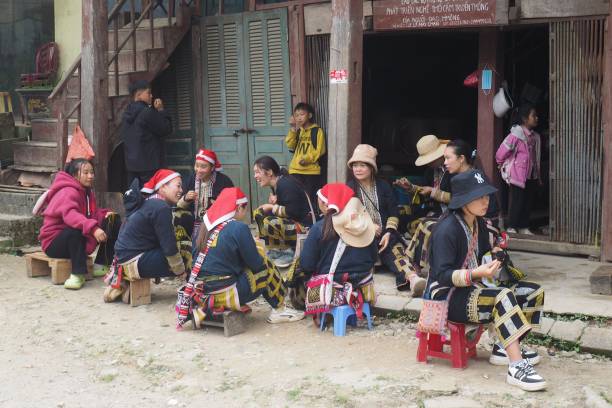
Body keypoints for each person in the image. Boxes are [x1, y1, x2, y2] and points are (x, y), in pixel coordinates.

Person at [427, 169, 546, 391]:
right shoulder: (446, 230)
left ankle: (504, 346)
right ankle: (517, 366)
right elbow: (442, 276)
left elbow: (481, 252)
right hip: (448, 297)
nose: (486, 201)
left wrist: (495, 255)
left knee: (531, 292)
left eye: (487, 195)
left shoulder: (478, 223)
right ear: (463, 201)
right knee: (503, 296)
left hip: (473, 287)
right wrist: (476, 274)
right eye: (479, 197)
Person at [176, 187, 304, 329]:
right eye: (244, 209)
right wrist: (256, 247)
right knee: (265, 265)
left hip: (202, 293)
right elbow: (256, 264)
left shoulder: (203, 228)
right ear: (237, 208)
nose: (245, 213)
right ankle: (279, 309)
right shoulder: (238, 227)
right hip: (226, 293)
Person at [346, 144, 426, 295]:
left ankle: (413, 279)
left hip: (384, 235)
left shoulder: (383, 186)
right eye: (355, 165)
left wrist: (389, 232)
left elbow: (393, 212)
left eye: (362, 165)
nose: (357, 169)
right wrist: (368, 225)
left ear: (371, 168)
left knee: (396, 251)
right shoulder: (350, 188)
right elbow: (347, 216)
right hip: (360, 236)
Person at [38, 159, 120, 290]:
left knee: (112, 219)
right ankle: (78, 274)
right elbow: (71, 216)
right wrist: (93, 229)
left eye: (92, 172)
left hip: (78, 238)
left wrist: (105, 215)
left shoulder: (87, 191)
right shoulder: (67, 191)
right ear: (75, 175)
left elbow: (90, 214)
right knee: (74, 230)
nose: (90, 176)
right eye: (86, 172)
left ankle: (101, 264)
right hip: (54, 242)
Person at [299, 184, 377, 321]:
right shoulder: (365, 226)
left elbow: (307, 265)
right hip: (362, 288)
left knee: (296, 270)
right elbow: (373, 258)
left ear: (324, 203)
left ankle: (320, 309)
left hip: (331, 290)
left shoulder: (318, 228)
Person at [113, 169, 188, 281]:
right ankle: (189, 285)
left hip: (122, 259)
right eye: (178, 186)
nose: (181, 190)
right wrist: (180, 270)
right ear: (162, 187)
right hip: (132, 261)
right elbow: (168, 246)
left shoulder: (150, 202)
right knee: (185, 252)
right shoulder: (160, 207)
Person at [252, 155, 316, 267]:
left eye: (258, 172)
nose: (255, 176)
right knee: (259, 212)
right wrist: (274, 205)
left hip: (305, 227)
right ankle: (275, 250)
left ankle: (289, 252)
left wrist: (272, 207)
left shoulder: (285, 184)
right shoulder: (278, 183)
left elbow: (293, 212)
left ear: (270, 172)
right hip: (294, 222)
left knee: (271, 222)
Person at [496, 104, 542, 235]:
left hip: (530, 174)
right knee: (517, 201)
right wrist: (501, 164)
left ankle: (523, 226)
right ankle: (512, 226)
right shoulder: (516, 135)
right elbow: (501, 152)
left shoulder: (535, 137)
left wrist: (538, 175)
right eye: (533, 115)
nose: (536, 118)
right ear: (524, 118)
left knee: (527, 201)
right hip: (517, 174)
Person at [120, 79, 172, 186]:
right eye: (148, 93)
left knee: (134, 194)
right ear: (139, 95)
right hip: (149, 165)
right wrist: (161, 110)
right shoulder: (147, 112)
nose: (151, 96)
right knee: (150, 194)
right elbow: (166, 129)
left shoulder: (126, 113)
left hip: (131, 164)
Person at [177, 148, 234, 240]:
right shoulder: (190, 180)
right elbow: (178, 206)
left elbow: (232, 206)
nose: (198, 170)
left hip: (216, 225)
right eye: (196, 166)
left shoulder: (224, 181)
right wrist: (186, 199)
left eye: (203, 167)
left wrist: (218, 205)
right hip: (193, 225)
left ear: (212, 168)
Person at [395, 134, 453, 219]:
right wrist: (410, 187)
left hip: (451, 214)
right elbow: (424, 193)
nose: (428, 163)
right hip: (433, 211)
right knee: (399, 211)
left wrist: (432, 191)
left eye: (431, 159)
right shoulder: (430, 171)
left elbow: (460, 199)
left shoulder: (454, 169)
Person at [285, 102, 326, 204]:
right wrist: (293, 129)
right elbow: (290, 146)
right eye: (296, 115)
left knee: (309, 200)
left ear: (310, 115)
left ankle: (310, 218)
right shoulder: (298, 131)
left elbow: (320, 150)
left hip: (310, 172)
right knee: (296, 198)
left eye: (302, 114)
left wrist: (307, 159)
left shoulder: (317, 131)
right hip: (295, 171)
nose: (299, 118)